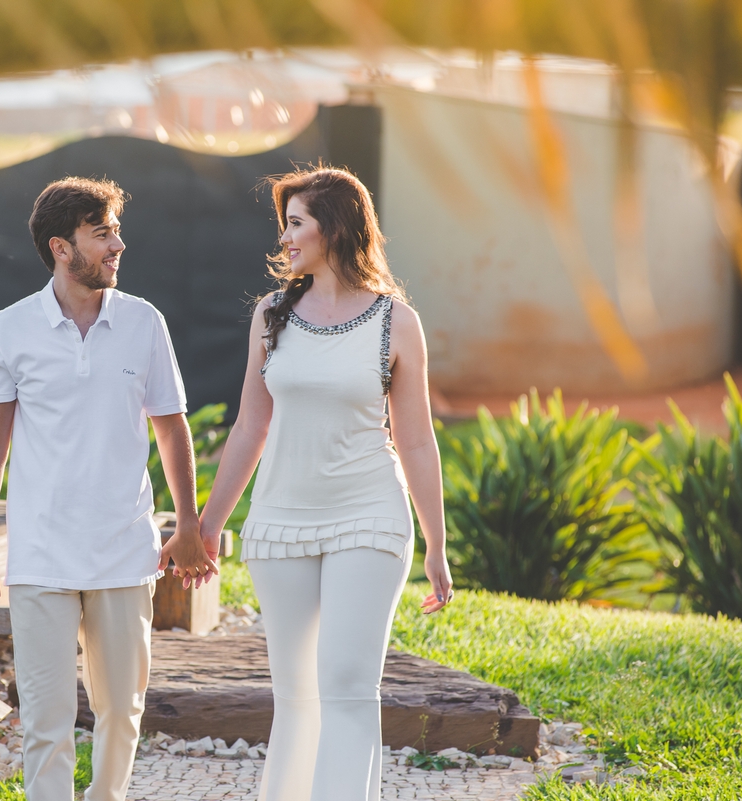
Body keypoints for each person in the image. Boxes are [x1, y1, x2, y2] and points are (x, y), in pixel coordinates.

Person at [198, 167, 454, 801]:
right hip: (280, 522)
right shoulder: (271, 314)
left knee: (344, 682)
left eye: (296, 223)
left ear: (334, 228)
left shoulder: (397, 322)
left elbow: (417, 440)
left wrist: (436, 545)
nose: (285, 238)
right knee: (297, 694)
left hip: (369, 514)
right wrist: (206, 526)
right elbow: (250, 425)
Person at [0, 176, 218, 801]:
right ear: (61, 247)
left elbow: (171, 428)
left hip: (123, 552)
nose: (118, 246)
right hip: (41, 557)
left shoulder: (144, 322)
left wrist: (188, 524)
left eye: (117, 232)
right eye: (102, 233)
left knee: (122, 713)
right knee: (45, 724)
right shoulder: (11, 327)